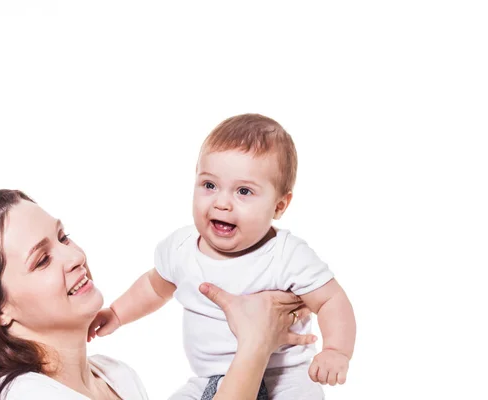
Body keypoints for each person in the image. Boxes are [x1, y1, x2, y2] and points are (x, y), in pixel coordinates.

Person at [0, 189, 315, 400]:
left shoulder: (116, 376)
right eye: (42, 260)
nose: (75, 256)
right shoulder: (23, 396)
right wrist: (254, 345)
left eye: (63, 237)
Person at [90, 114, 356, 399]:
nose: (221, 202)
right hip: (209, 379)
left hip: (285, 377)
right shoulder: (181, 248)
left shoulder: (286, 255)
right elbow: (154, 287)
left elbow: (331, 300)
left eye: (243, 191)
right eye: (209, 185)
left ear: (279, 206)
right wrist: (117, 313)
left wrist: (335, 351)